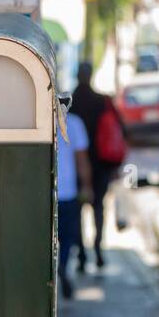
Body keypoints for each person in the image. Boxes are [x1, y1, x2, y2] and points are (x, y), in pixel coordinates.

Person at [70, 61, 125, 270]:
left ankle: (82, 254)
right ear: (91, 75)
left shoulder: (69, 102)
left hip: (77, 164)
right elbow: (121, 130)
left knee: (77, 210)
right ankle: (98, 250)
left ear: (77, 76)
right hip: (101, 163)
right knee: (98, 208)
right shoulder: (103, 101)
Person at [57, 110, 92, 300]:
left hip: (43, 193)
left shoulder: (36, 118)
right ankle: (62, 264)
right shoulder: (74, 123)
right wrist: (86, 186)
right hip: (67, 191)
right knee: (67, 236)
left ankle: (53, 269)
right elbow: (81, 160)